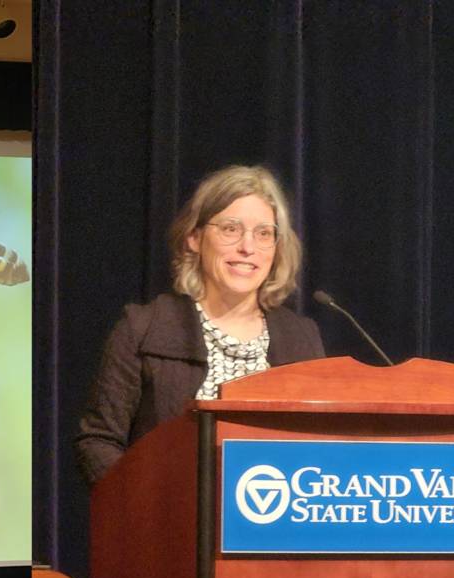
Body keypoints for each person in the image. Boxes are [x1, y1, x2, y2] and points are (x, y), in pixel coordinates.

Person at [75, 165, 324, 486]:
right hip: (164, 513)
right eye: (231, 229)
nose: (248, 247)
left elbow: (321, 445)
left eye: (264, 233)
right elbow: (98, 441)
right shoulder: (144, 328)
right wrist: (147, 500)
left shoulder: (301, 337)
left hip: (274, 512)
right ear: (194, 237)